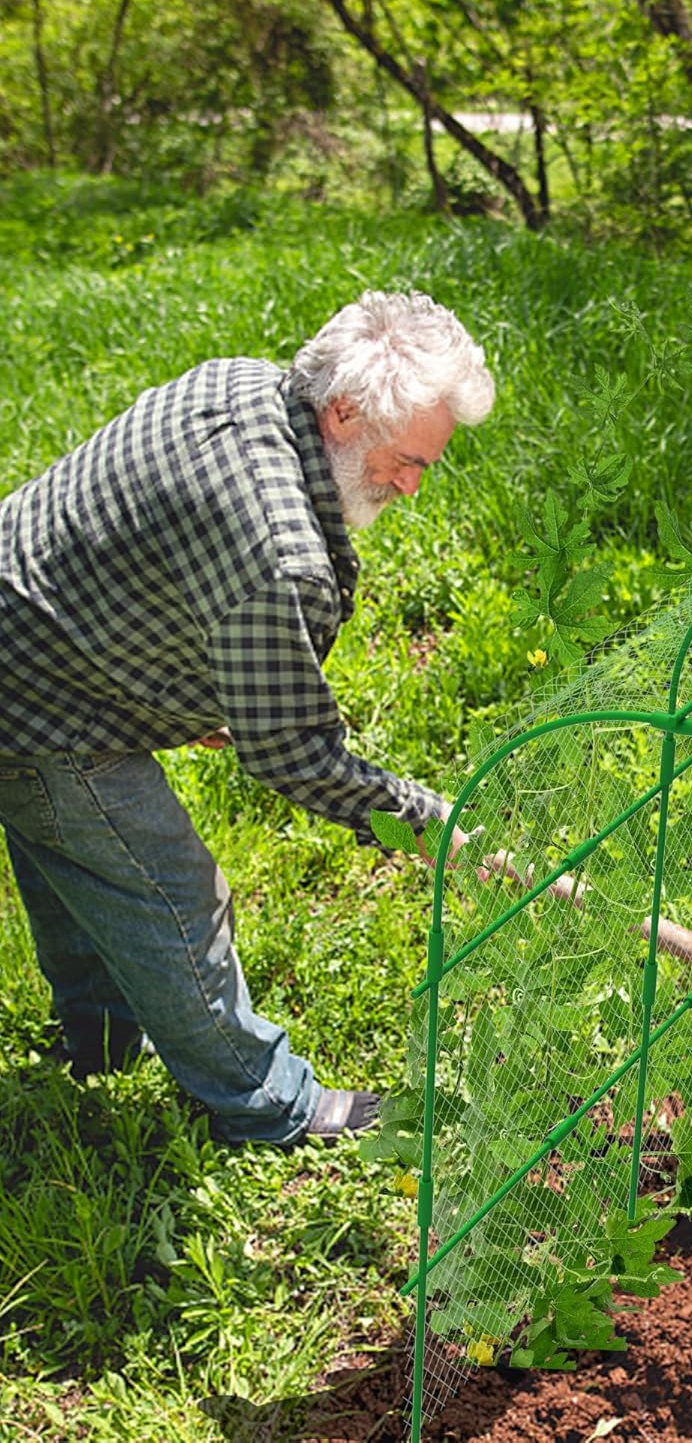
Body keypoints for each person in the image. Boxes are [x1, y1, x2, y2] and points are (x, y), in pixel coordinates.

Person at [0, 290, 494, 1146]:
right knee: (168, 892)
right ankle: (267, 1105)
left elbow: (157, 546)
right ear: (342, 411)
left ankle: (101, 1045)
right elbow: (296, 756)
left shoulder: (245, 386)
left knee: (73, 863)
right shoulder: (278, 555)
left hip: (29, 620)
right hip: (42, 709)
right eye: (407, 460)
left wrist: (195, 681)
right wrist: (427, 823)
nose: (412, 486)